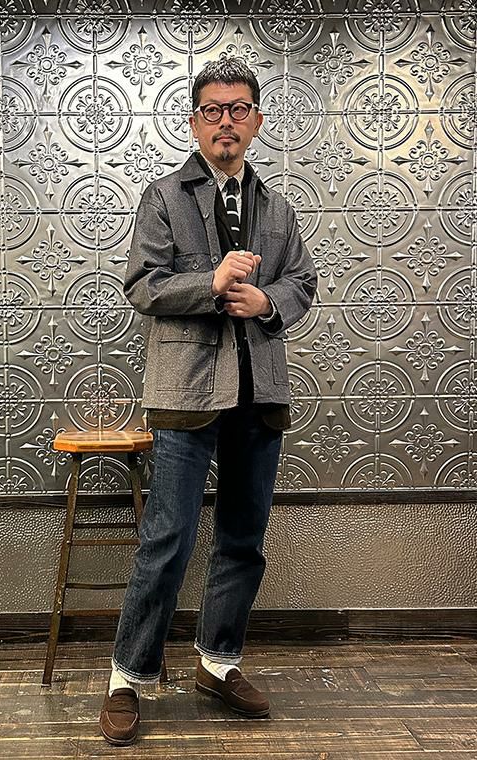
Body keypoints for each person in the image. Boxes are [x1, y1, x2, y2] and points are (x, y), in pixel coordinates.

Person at [99, 57, 318, 746]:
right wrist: (212, 282)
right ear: (195, 122)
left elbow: (303, 282)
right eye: (213, 110)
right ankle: (128, 676)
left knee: (244, 539)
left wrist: (268, 302)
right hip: (185, 390)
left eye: (238, 109)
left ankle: (218, 663)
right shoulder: (163, 197)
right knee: (168, 538)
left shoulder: (277, 208)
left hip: (259, 391)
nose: (226, 121)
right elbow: (143, 285)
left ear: (256, 121)